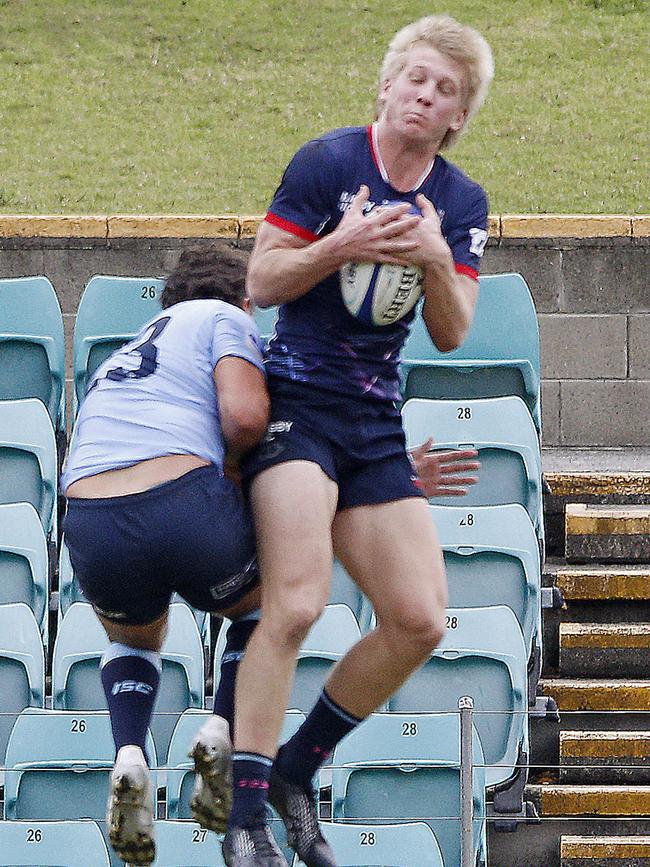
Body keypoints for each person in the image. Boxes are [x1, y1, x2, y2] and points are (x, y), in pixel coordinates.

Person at [60, 243, 479, 866]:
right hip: (178, 497)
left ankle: (129, 757)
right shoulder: (224, 320)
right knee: (273, 602)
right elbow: (246, 418)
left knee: (135, 639)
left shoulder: (126, 351)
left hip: (88, 519)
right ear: (248, 298)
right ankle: (220, 735)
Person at [223, 14, 494, 867]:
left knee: (419, 617)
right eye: (414, 78)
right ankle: (245, 817)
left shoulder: (461, 201)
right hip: (297, 403)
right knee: (297, 601)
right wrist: (343, 243)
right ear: (385, 86)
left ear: (458, 116)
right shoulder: (328, 163)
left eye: (444, 89)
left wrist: (436, 260)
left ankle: (301, 767)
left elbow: (452, 334)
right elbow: (260, 280)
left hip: (375, 425)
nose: (425, 94)